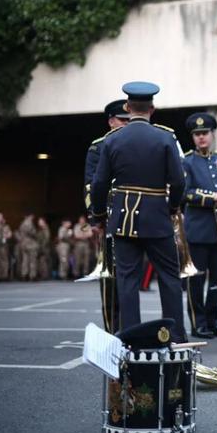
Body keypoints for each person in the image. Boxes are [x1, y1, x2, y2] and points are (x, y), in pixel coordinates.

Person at [91, 81, 188, 343]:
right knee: (169, 277)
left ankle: (131, 338)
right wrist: (172, 207)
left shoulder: (113, 140)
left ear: (127, 107)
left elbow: (99, 184)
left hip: (123, 219)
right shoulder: (165, 138)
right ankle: (175, 335)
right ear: (152, 109)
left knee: (128, 280)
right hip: (157, 217)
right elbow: (179, 182)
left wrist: (99, 216)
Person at [181, 112, 217, 339]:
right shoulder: (187, 161)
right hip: (198, 230)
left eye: (204, 133)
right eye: (197, 134)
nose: (201, 138)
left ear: (213, 134)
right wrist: (213, 197)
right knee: (196, 280)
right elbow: (185, 193)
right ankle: (197, 322)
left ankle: (213, 320)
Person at [84, 99, 129, 331]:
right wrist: (95, 219)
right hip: (108, 220)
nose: (125, 125)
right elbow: (91, 186)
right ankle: (112, 329)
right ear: (111, 121)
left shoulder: (134, 143)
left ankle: (130, 329)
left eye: (128, 121)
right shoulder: (98, 147)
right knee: (109, 279)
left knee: (129, 277)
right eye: (122, 120)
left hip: (132, 218)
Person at [17, 214, 39, 281]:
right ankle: (32, 275)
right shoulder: (29, 223)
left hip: (23, 244)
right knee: (32, 260)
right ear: (30, 216)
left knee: (25, 260)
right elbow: (32, 233)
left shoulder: (22, 223)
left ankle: (24, 274)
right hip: (30, 244)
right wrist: (36, 234)